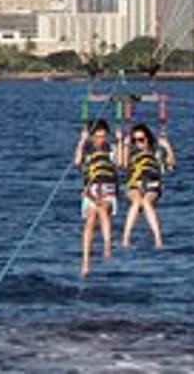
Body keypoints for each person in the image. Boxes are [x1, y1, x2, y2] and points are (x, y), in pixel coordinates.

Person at [119, 121, 177, 252]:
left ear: (147, 139)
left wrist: (167, 147)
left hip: (153, 185)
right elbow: (122, 164)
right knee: (137, 201)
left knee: (146, 202)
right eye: (135, 140)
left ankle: (158, 239)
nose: (138, 143)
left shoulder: (156, 152)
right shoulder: (131, 153)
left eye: (141, 140)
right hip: (134, 184)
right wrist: (123, 144)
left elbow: (171, 165)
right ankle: (125, 238)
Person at [74, 117, 120, 278]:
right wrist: (81, 141)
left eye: (103, 136)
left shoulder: (111, 149)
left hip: (108, 190)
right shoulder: (86, 150)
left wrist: (121, 142)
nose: (101, 139)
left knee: (102, 209)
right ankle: (85, 262)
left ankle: (107, 245)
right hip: (91, 191)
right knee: (90, 221)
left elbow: (121, 163)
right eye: (97, 136)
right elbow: (77, 162)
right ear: (92, 136)